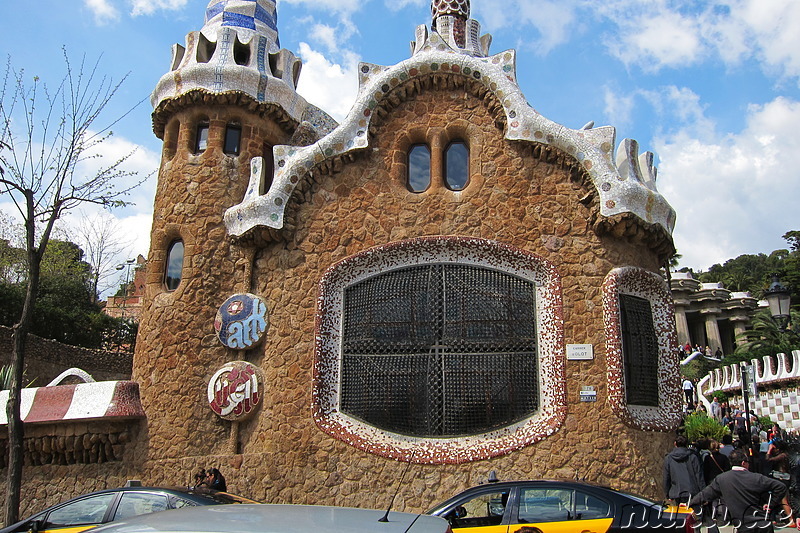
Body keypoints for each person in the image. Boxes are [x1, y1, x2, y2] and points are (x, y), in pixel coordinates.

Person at [690, 448, 792, 533]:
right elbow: (781, 487)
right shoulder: (756, 478)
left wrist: (689, 504)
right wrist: (770, 504)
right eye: (748, 462)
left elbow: (704, 495)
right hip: (763, 524)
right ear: (743, 463)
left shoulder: (722, 479)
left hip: (743, 526)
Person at [664, 435, 705, 505]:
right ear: (686, 444)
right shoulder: (692, 457)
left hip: (676, 492)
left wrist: (667, 493)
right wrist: (703, 493)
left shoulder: (669, 458)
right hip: (692, 492)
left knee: (678, 514)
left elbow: (666, 477)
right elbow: (699, 475)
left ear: (675, 444)